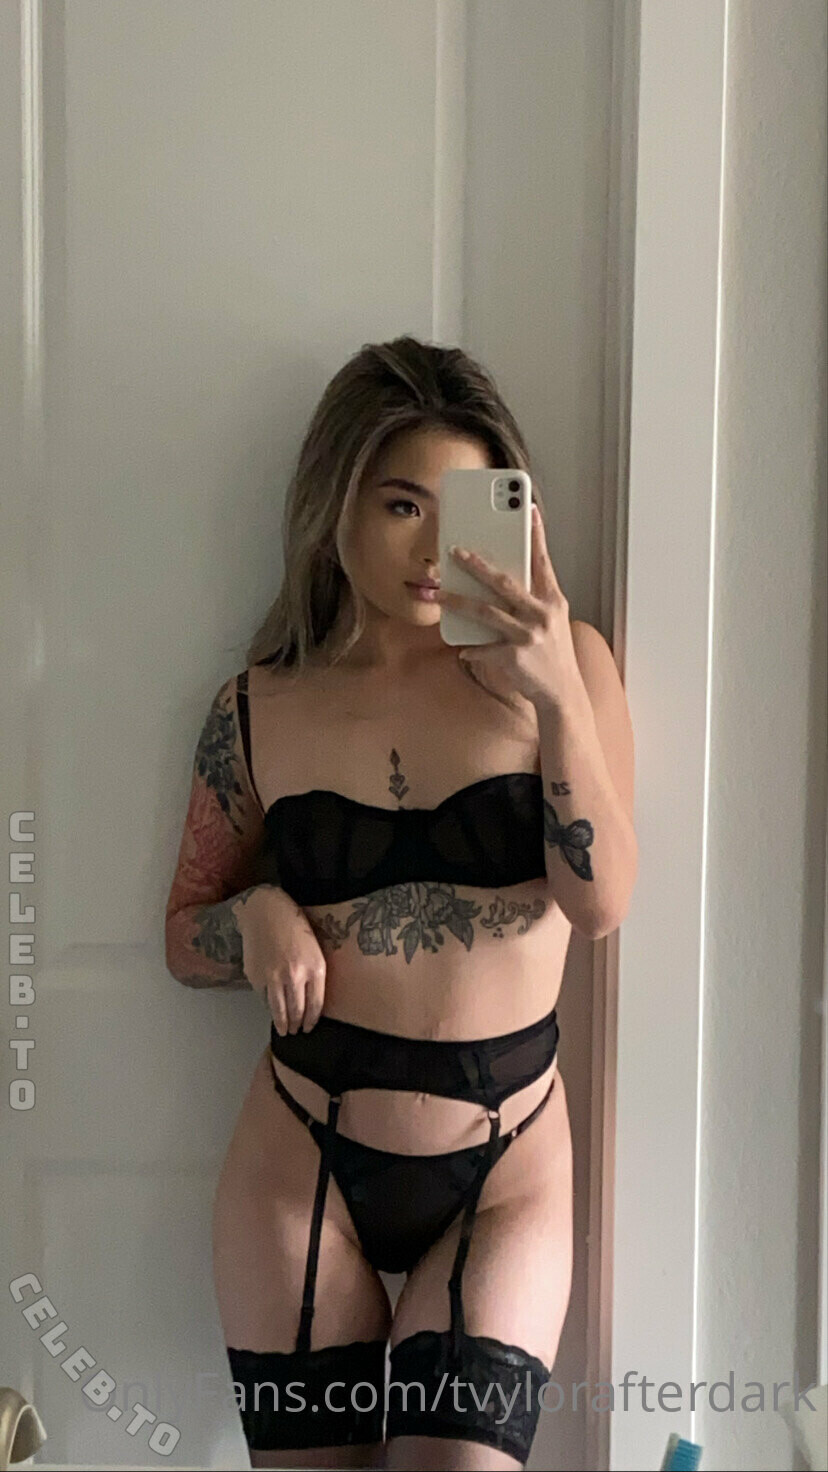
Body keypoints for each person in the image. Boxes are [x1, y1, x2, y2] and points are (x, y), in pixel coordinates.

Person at [164, 336, 636, 1470]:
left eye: (460, 509)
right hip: (302, 1156)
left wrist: (555, 698)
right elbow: (183, 933)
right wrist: (256, 917)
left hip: (506, 1159)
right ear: (336, 503)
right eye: (400, 505)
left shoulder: (568, 665)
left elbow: (602, 902)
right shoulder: (259, 703)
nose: (434, 551)